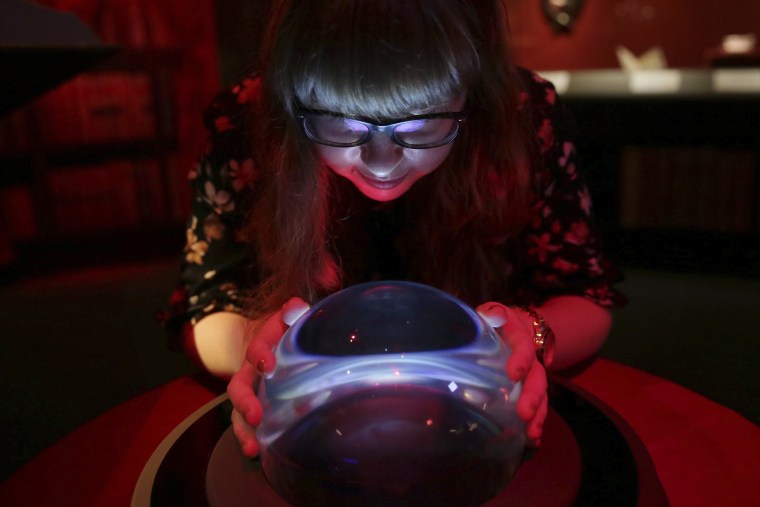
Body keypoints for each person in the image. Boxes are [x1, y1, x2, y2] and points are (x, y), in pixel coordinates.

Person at [162, 0, 624, 458]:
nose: (382, 164)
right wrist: (259, 348)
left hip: (477, 418)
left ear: (470, 92)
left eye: (421, 124)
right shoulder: (245, 120)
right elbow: (204, 307)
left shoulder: (524, 117)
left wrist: (529, 334)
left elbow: (587, 294)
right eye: (341, 125)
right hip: (316, 421)